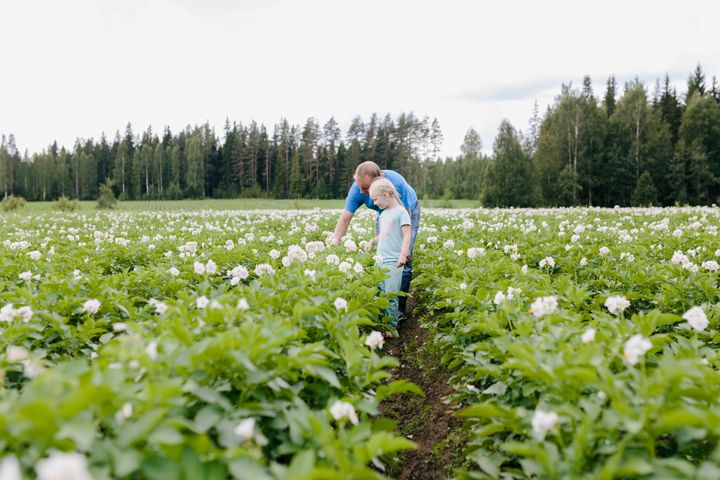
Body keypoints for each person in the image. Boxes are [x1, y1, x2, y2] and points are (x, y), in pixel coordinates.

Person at [332, 161, 420, 316]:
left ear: (380, 179)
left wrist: (402, 252)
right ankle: (384, 305)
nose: (361, 190)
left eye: (365, 188)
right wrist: (335, 243)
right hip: (383, 213)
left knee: (403, 259)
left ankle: (399, 309)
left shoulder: (397, 183)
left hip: (407, 211)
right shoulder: (357, 188)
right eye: (358, 185)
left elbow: (403, 219)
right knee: (382, 256)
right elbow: (345, 218)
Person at [366, 178, 411, 332]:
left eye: (375, 199)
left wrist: (403, 255)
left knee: (391, 296)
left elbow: (407, 234)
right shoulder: (383, 214)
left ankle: (391, 327)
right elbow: (384, 235)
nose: (374, 203)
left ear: (385, 195)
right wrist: (372, 241)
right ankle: (381, 323)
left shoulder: (401, 212)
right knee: (379, 294)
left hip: (393, 261)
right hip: (380, 260)